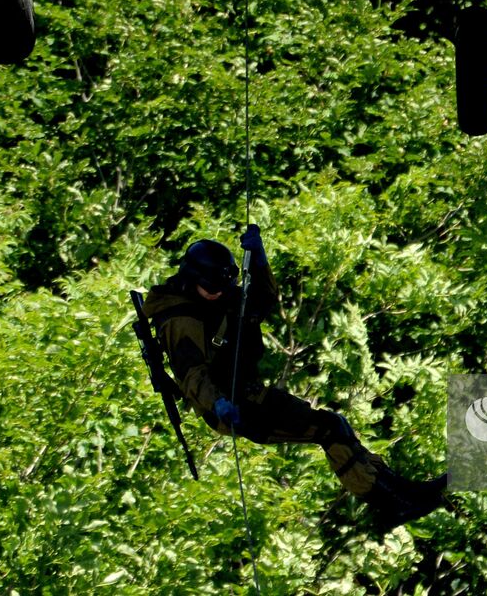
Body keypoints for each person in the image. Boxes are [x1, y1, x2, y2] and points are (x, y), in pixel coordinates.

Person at [141, 224, 447, 531]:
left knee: (334, 426)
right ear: (193, 279)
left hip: (248, 394)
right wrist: (219, 403)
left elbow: (261, 299)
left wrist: (259, 259)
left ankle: (400, 492)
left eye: (223, 287)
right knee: (328, 430)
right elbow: (191, 375)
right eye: (212, 288)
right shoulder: (180, 319)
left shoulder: (214, 295)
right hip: (230, 406)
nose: (219, 293)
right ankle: (392, 504)